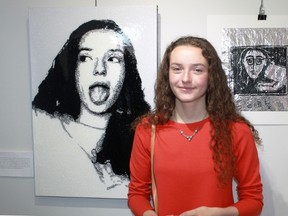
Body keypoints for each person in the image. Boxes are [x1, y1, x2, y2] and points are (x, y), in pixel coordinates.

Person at [128, 36, 263, 215]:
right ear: (167, 74)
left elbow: (253, 199)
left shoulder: (236, 131)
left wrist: (220, 214)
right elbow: (137, 194)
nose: (185, 78)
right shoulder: (148, 129)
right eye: (177, 69)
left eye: (197, 70)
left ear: (211, 76)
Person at [32, 19, 150, 198]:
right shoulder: (44, 123)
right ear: (73, 67)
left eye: (113, 58)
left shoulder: (142, 134)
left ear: (127, 70)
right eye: (86, 58)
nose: (99, 69)